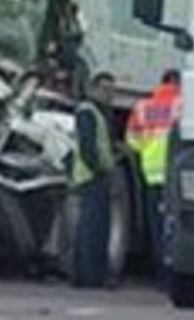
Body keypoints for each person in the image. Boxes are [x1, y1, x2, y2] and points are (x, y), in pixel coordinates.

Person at [125, 69, 182, 281]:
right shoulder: (181, 103)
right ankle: (171, 272)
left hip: (150, 173)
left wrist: (147, 152)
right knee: (173, 225)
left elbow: (132, 140)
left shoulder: (143, 107)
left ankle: (159, 272)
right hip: (173, 172)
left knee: (156, 226)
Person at [71, 71, 117, 288]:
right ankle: (91, 277)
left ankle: (83, 275)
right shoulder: (88, 112)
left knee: (89, 228)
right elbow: (88, 146)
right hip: (92, 177)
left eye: (112, 91)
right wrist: (99, 170)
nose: (110, 95)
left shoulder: (96, 112)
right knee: (93, 229)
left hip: (91, 175)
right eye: (105, 90)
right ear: (93, 89)